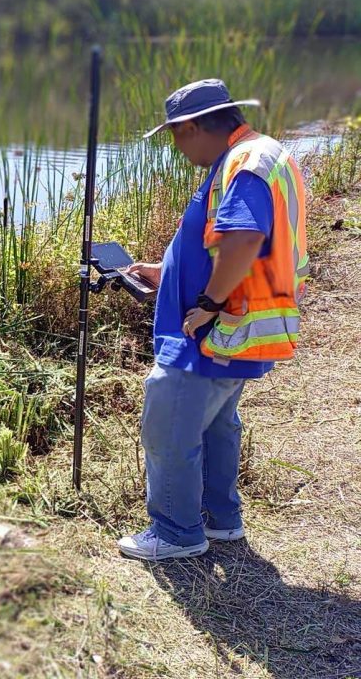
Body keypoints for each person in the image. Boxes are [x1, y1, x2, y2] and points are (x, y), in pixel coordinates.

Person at [118, 78, 308, 561]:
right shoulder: (259, 155)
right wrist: (168, 271)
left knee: (169, 426)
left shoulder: (246, 164)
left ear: (195, 126)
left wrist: (209, 301)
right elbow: (219, 242)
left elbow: (244, 239)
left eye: (176, 136)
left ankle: (177, 532)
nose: (178, 149)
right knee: (217, 424)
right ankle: (221, 518)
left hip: (215, 330)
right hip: (236, 330)